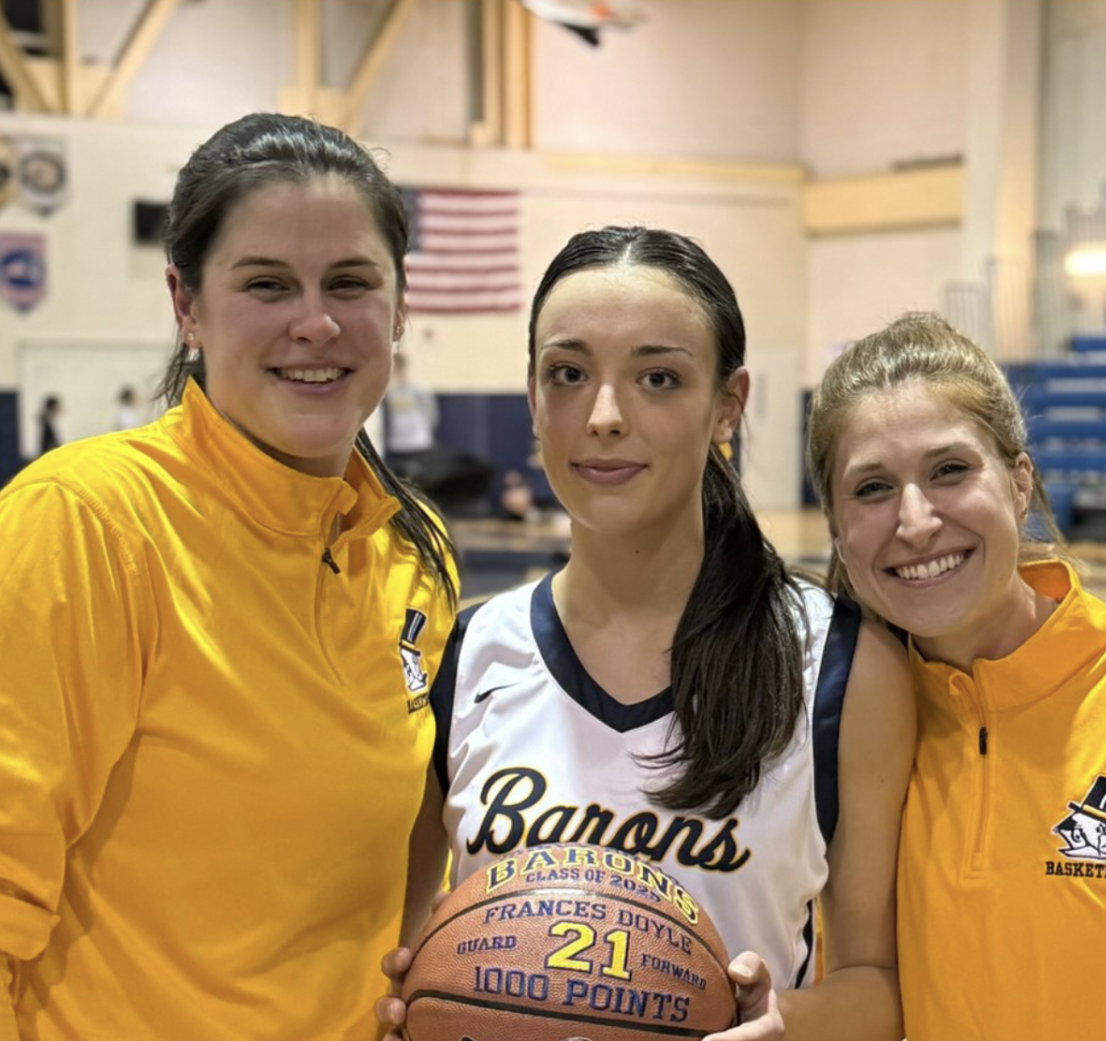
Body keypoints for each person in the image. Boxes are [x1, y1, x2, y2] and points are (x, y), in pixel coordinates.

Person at [378, 226, 916, 1040]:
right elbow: (412, 941)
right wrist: (416, 998)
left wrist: (782, 1023)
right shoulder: (464, 658)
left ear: (728, 403)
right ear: (532, 398)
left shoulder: (840, 664)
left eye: (658, 378)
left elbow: (878, 984)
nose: (603, 416)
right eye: (568, 374)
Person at [0, 113, 458, 1041]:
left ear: (400, 305)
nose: (316, 322)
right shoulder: (83, 524)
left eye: (352, 282)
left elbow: (413, 850)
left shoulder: (416, 552)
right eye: (266, 284)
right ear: (187, 306)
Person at [805, 312, 1106, 1040]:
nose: (916, 521)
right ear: (835, 526)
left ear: (1020, 481)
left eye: (950, 470)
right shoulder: (838, 734)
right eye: (871, 488)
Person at [383, 350, 438, 475]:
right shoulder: (388, 392)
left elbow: (431, 414)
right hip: (396, 445)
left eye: (397, 368)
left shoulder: (418, 390)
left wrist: (425, 433)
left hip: (418, 443)